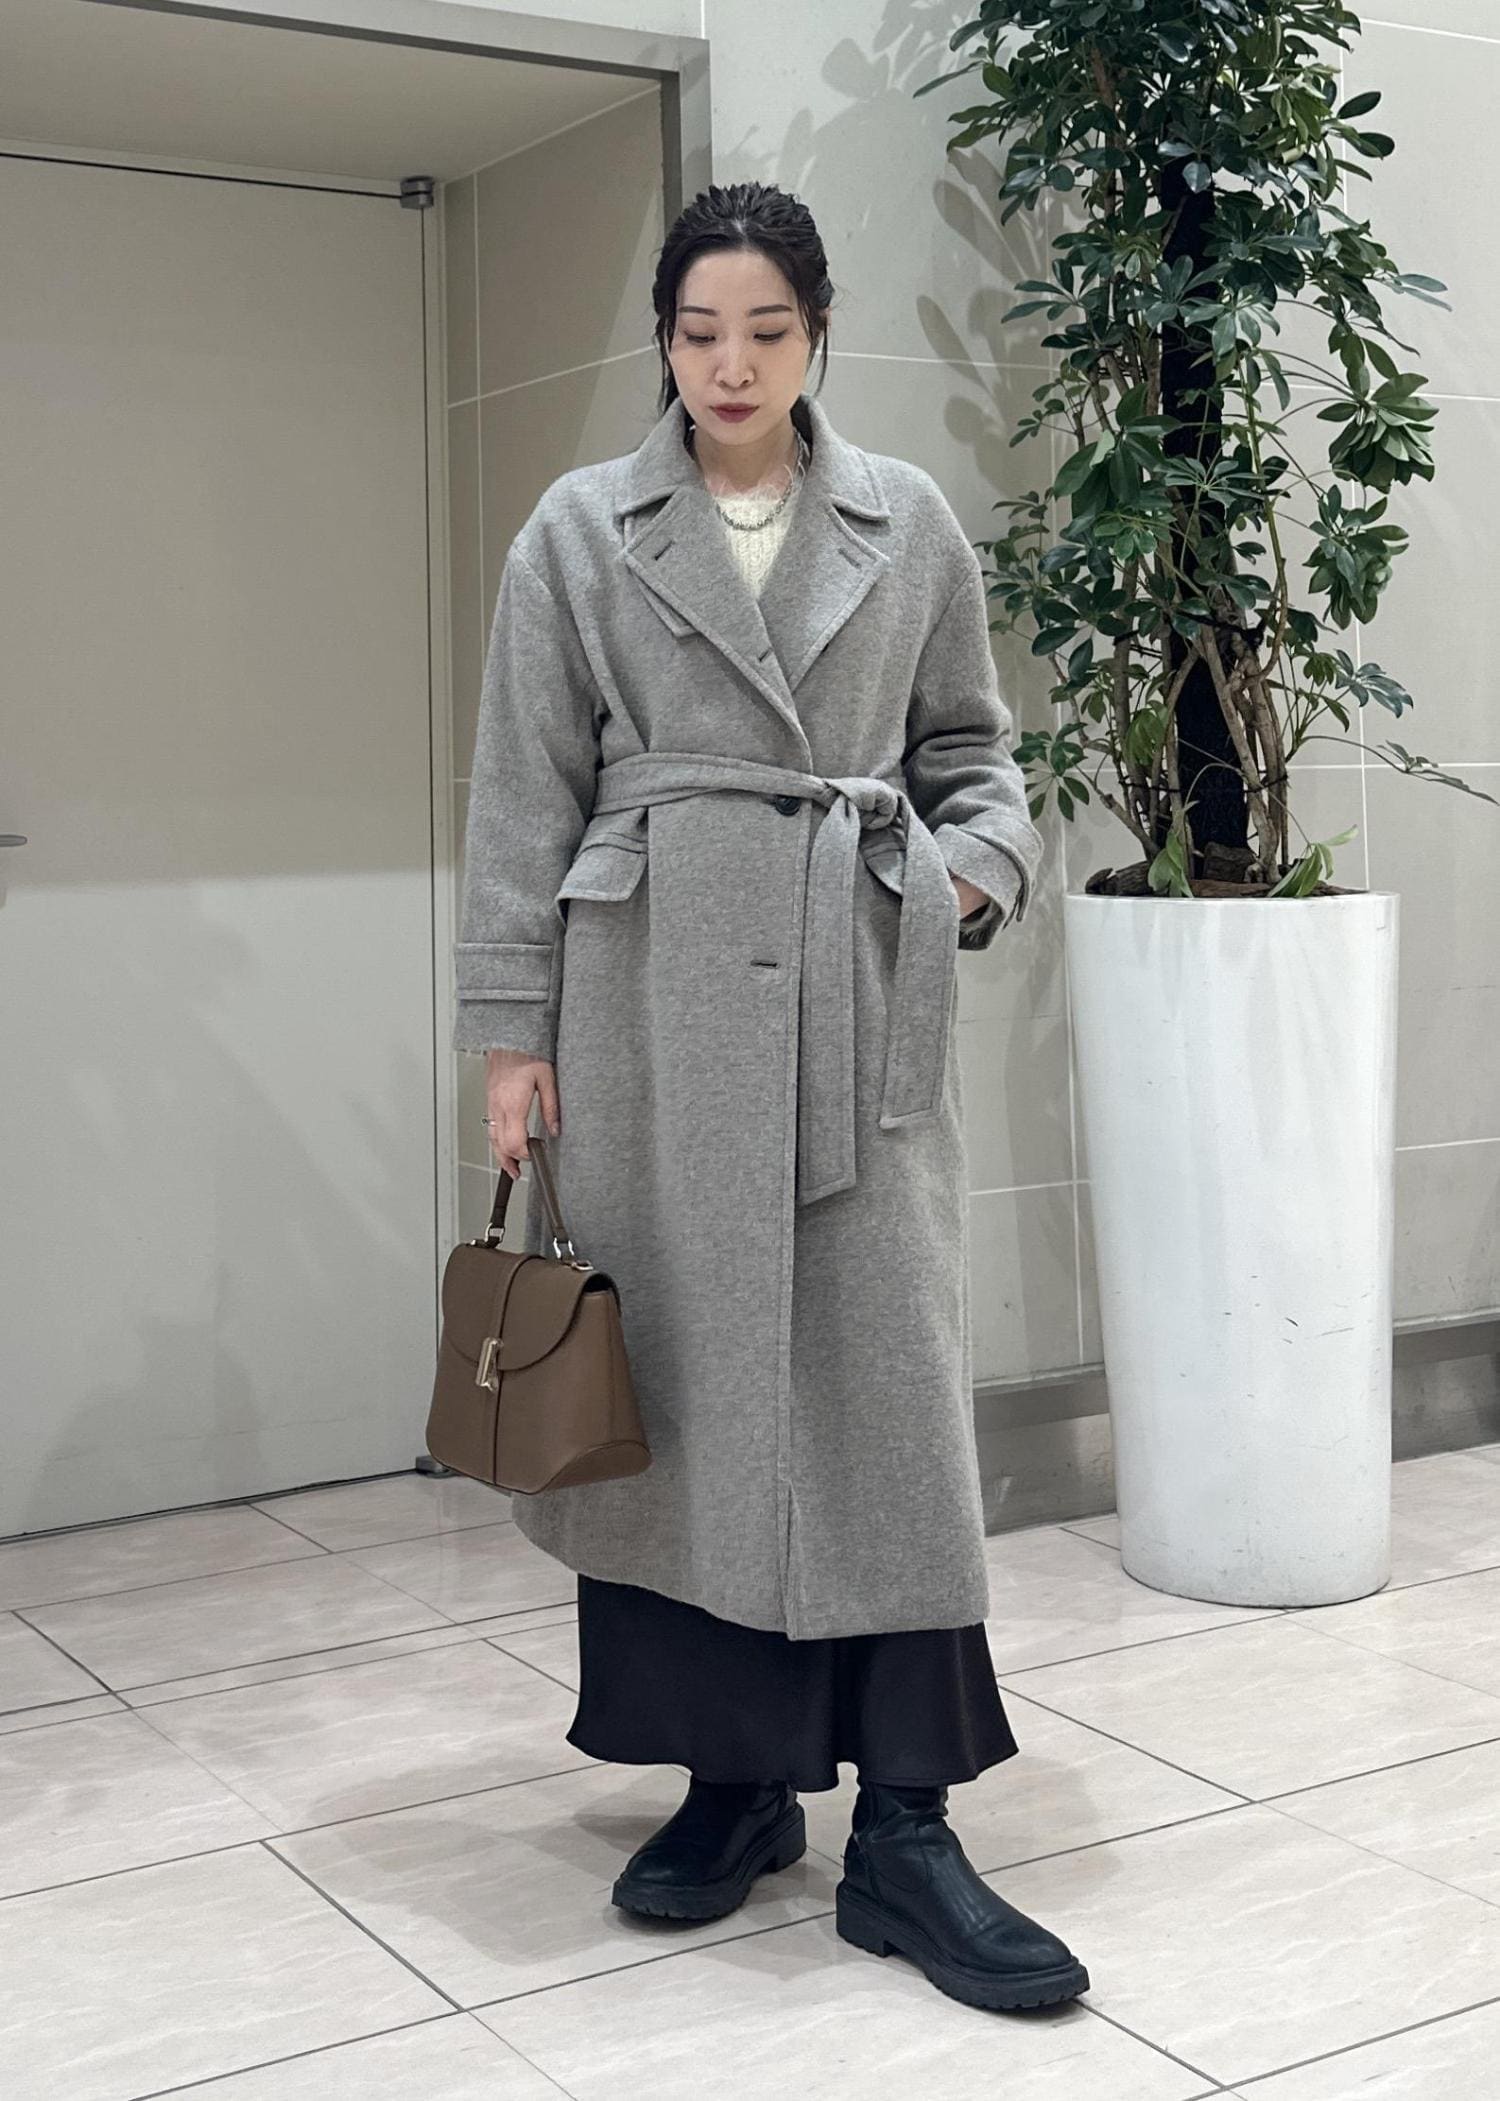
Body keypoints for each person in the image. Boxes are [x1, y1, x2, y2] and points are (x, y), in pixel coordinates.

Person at [454, 180, 1090, 2014]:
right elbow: (521, 792)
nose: (730, 365)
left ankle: (907, 1826)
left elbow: (975, 754)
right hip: (646, 1013)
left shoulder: (909, 521)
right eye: (698, 332)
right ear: (662, 340)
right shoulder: (580, 530)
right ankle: (732, 1782)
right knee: (685, 1396)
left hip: (859, 996)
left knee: (884, 1392)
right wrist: (510, 1035)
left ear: (819, 337)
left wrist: (966, 878)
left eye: (768, 331)